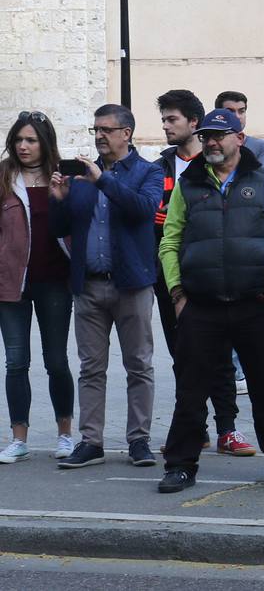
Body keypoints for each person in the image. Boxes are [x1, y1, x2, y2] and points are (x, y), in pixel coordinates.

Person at [156, 108, 264, 493]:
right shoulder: (188, 185)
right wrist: (177, 293)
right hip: (200, 305)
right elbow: (170, 241)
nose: (212, 142)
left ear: (240, 138)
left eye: (220, 135)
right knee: (191, 391)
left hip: (254, 302)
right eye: (206, 136)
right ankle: (181, 465)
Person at [51, 104, 162, 470]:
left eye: (106, 129)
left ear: (126, 133)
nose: (99, 135)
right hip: (89, 287)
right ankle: (91, 441)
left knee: (139, 365)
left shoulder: (148, 171)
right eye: (95, 129)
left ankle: (139, 440)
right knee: (91, 368)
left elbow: (143, 210)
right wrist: (59, 202)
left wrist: (104, 181)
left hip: (131, 285)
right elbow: (61, 228)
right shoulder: (82, 178)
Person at [153, 90, 248, 457]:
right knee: (183, 356)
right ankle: (193, 429)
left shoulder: (218, 163)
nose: (165, 126)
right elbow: (159, 222)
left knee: (221, 356)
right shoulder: (159, 166)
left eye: (172, 119)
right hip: (173, 277)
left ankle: (227, 429)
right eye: (163, 119)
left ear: (195, 123)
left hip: (215, 274)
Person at [0, 112, 76, 465]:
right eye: (19, 140)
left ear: (45, 143)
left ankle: (65, 434)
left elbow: (77, 226)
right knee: (16, 362)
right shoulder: (3, 176)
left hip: (54, 282)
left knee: (57, 361)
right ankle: (19, 439)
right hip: (11, 282)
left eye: (30, 140)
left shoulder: (64, 176)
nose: (23, 146)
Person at [213, 92, 264, 169]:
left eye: (241, 111)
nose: (237, 116)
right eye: (230, 111)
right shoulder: (209, 145)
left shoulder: (261, 146)